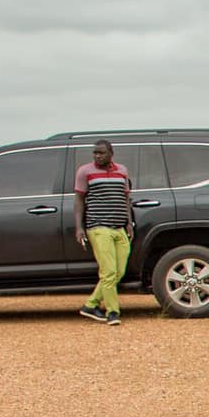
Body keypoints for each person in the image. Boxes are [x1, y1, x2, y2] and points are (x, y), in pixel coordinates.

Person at [73, 139, 134, 326]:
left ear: (111, 153)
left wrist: (129, 222)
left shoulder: (122, 170)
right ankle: (113, 312)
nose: (97, 156)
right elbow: (79, 200)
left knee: (119, 272)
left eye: (101, 153)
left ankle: (90, 304)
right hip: (98, 227)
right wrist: (79, 227)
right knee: (108, 272)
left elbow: (126, 198)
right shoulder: (85, 171)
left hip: (119, 227)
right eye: (95, 153)